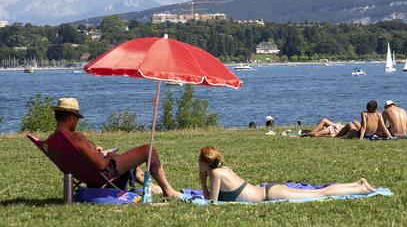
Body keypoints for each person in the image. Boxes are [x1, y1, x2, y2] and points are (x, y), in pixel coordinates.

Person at [52, 97, 181, 198]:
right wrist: (107, 154)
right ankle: (168, 190)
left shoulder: (54, 140)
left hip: (88, 176)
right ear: (71, 117)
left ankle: (153, 187)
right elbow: (101, 164)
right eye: (77, 118)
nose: (76, 122)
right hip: (105, 173)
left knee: (132, 160)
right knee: (149, 150)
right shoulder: (76, 137)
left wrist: (94, 150)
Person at [198, 146, 376, 202]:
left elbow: (211, 202)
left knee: (320, 194)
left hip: (270, 194)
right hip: (268, 189)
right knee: (318, 193)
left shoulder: (216, 175)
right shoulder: (225, 169)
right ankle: (358, 184)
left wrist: (202, 181)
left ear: (204, 162)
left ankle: (361, 189)